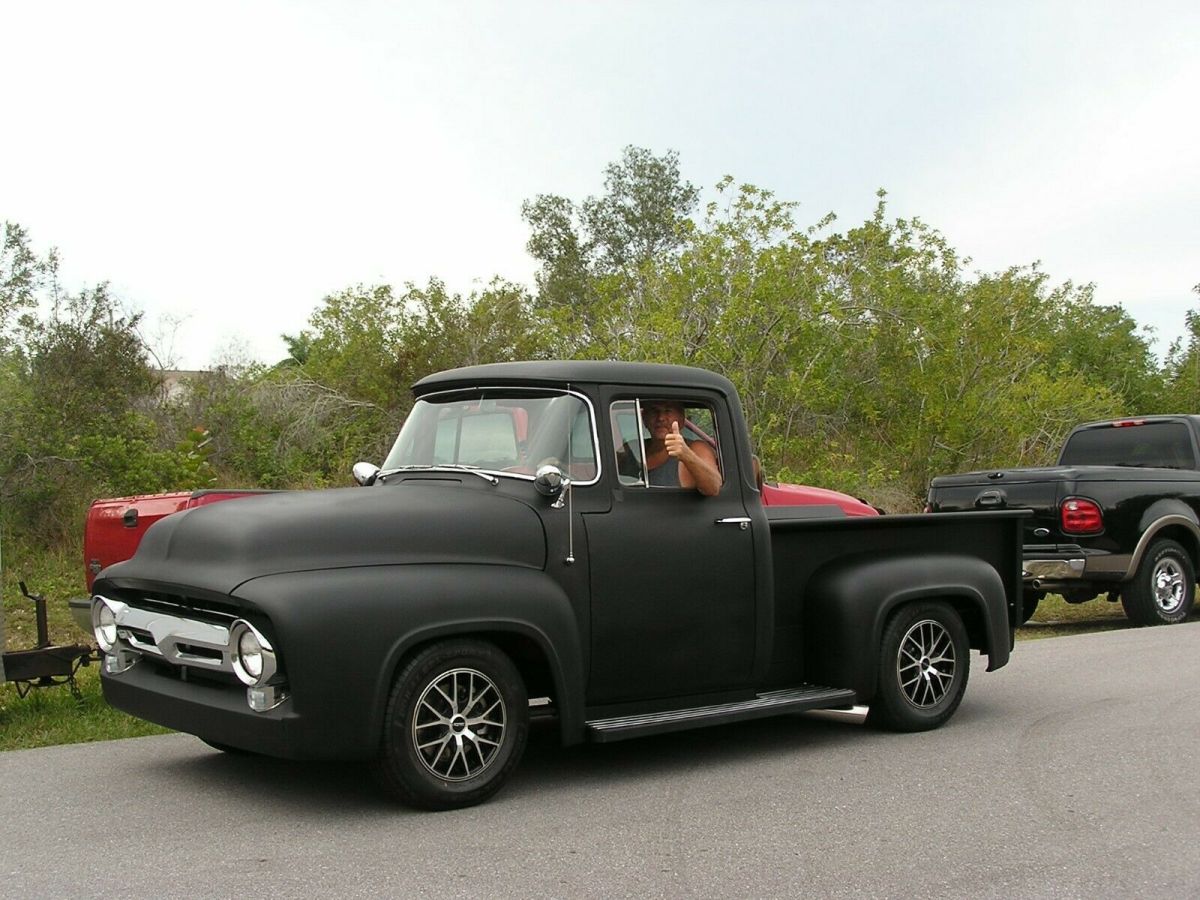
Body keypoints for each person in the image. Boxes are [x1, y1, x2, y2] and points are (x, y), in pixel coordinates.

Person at [635, 401, 723, 496]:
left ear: (681, 419)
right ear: (644, 419)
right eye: (654, 411)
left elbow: (714, 488)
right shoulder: (634, 448)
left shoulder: (695, 448)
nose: (660, 418)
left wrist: (686, 455)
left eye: (668, 411)